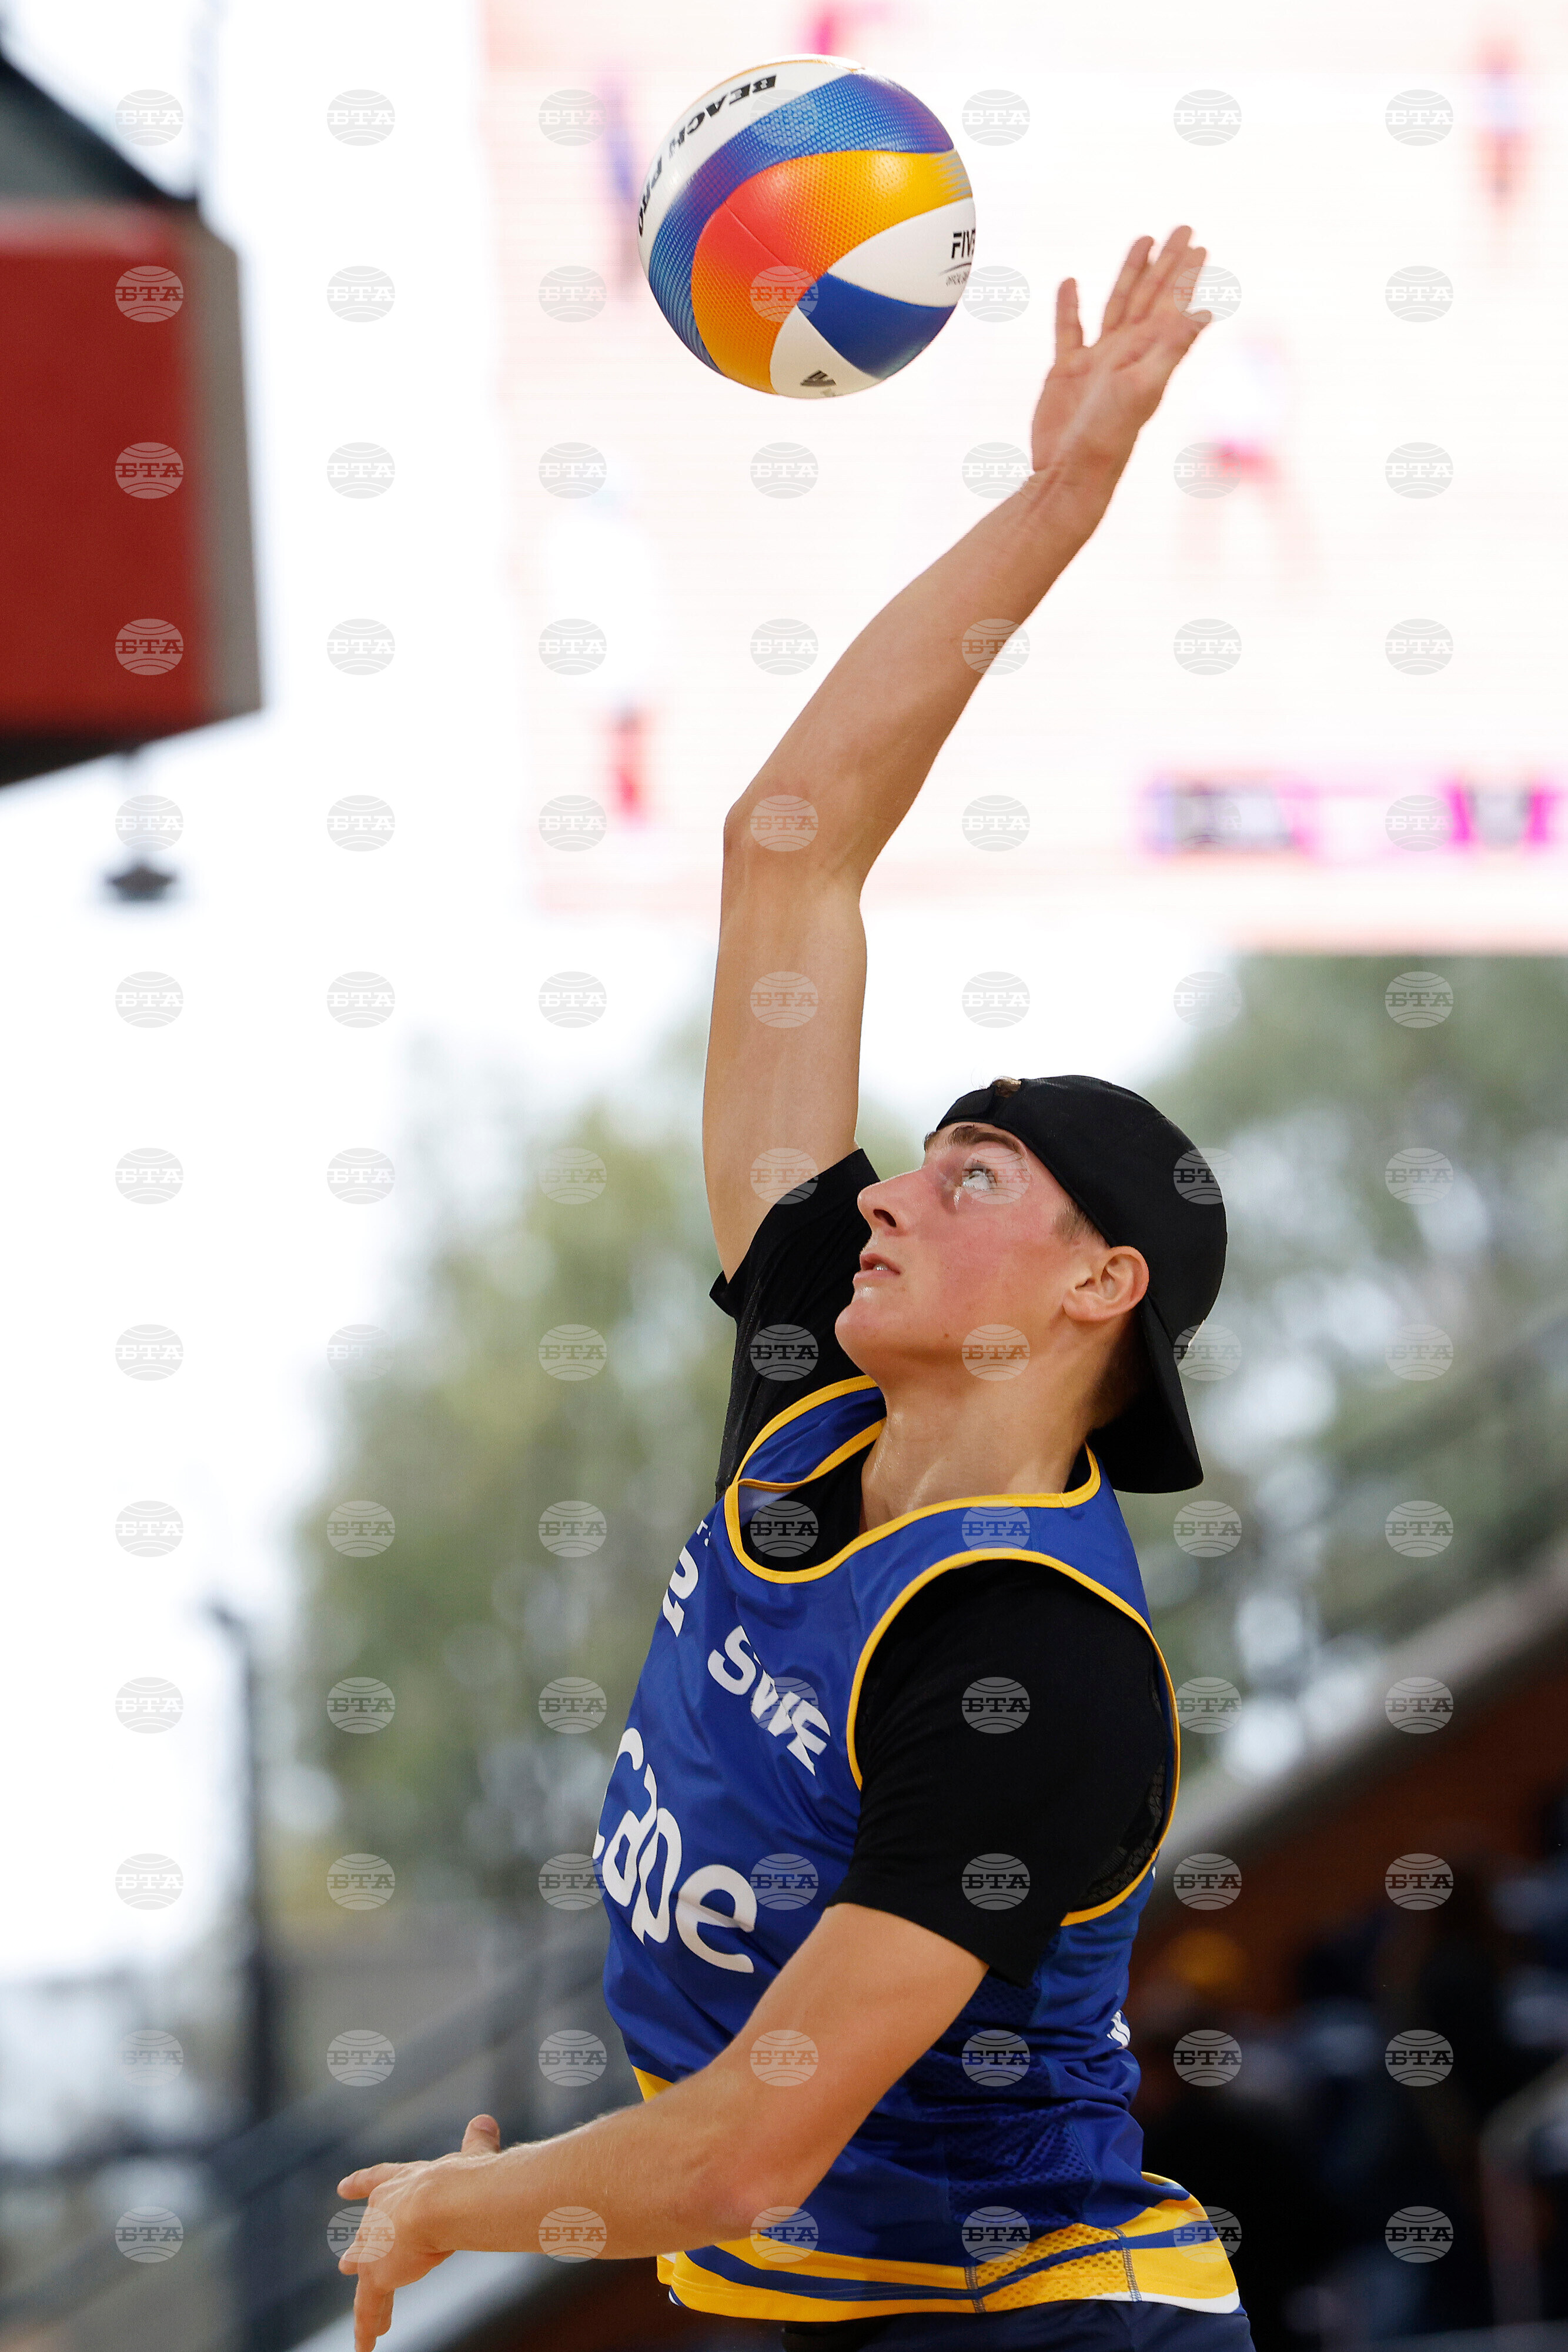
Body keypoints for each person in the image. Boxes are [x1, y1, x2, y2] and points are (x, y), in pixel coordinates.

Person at [338, 224, 1245, 2352]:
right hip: (803, 2287)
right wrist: (1053, 504)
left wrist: (475, 2198)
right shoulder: (803, 1388)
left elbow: (756, 2137)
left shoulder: (1030, 1666)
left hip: (1024, 2312)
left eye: (974, 1169)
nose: (897, 1191)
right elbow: (789, 845)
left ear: (1097, 1286)